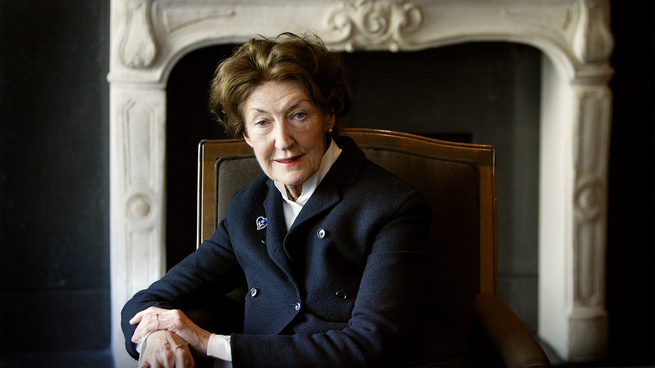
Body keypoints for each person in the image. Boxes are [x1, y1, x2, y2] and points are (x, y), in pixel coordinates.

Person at [121, 32, 434, 368]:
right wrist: (156, 335)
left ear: (328, 115)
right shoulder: (248, 206)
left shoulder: (394, 207)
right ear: (245, 135)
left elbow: (374, 344)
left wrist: (210, 343)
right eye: (262, 122)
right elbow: (146, 301)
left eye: (298, 115)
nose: (282, 140)